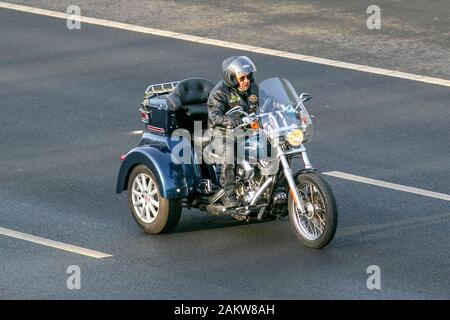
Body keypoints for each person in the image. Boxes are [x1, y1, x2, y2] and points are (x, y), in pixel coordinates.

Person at [207, 56, 259, 208]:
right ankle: (229, 195)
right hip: (222, 131)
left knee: (275, 145)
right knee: (229, 156)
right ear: (231, 78)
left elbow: (267, 101)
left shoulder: (253, 88)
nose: (246, 81)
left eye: (248, 77)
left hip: (247, 129)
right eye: (241, 78)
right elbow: (214, 116)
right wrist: (229, 120)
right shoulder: (219, 92)